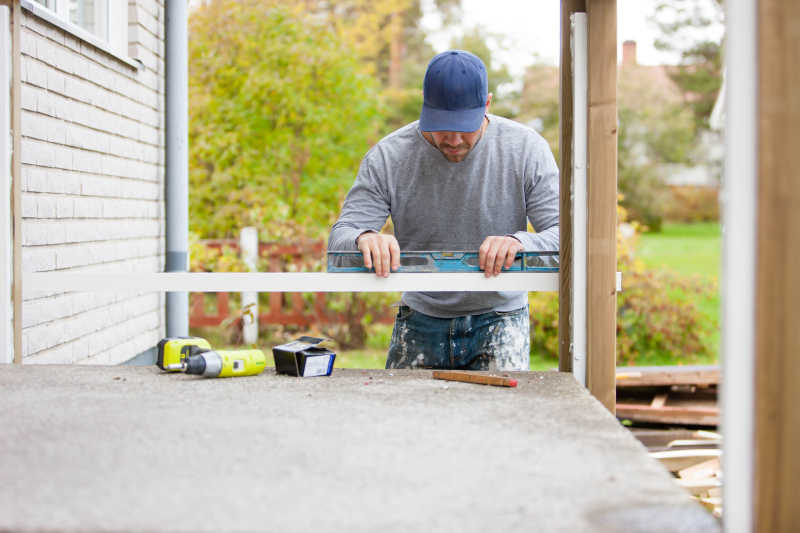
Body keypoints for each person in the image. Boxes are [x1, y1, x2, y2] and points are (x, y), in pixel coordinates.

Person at [328, 50, 559, 371]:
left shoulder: (526, 148)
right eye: (441, 125)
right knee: (401, 418)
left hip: (500, 317)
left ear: (487, 105)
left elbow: (565, 237)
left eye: (464, 126)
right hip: (420, 317)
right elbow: (339, 240)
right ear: (424, 103)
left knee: (500, 418)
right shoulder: (388, 156)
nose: (452, 139)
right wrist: (364, 237)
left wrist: (522, 243)